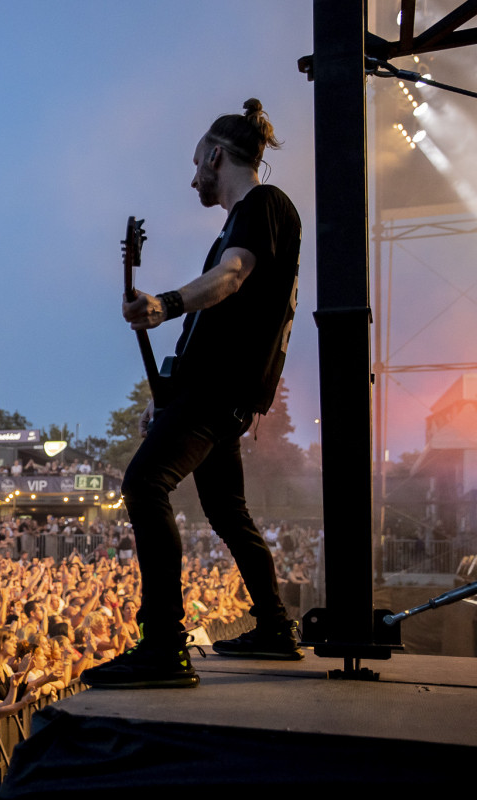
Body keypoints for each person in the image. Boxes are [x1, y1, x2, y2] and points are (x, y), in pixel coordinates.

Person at [83, 98, 302, 689]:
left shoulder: (262, 205)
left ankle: (162, 646)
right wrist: (168, 388)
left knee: (144, 484)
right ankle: (277, 630)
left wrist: (165, 304)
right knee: (229, 512)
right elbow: (219, 310)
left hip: (216, 392)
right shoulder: (244, 221)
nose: (192, 178)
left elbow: (231, 279)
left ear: (214, 154)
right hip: (213, 392)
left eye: (196, 164)